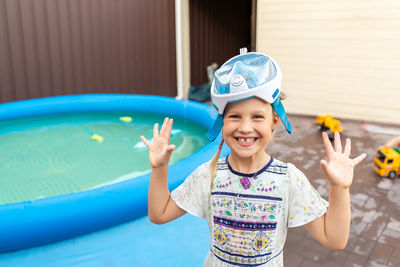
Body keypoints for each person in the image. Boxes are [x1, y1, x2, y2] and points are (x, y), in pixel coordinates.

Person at [140, 50, 366, 266]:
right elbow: (159, 214)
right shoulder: (207, 176)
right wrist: (160, 167)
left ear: (274, 122)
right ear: (222, 122)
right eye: (235, 116)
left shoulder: (288, 181)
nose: (245, 128)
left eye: (257, 117)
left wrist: (340, 188)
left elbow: (334, 239)